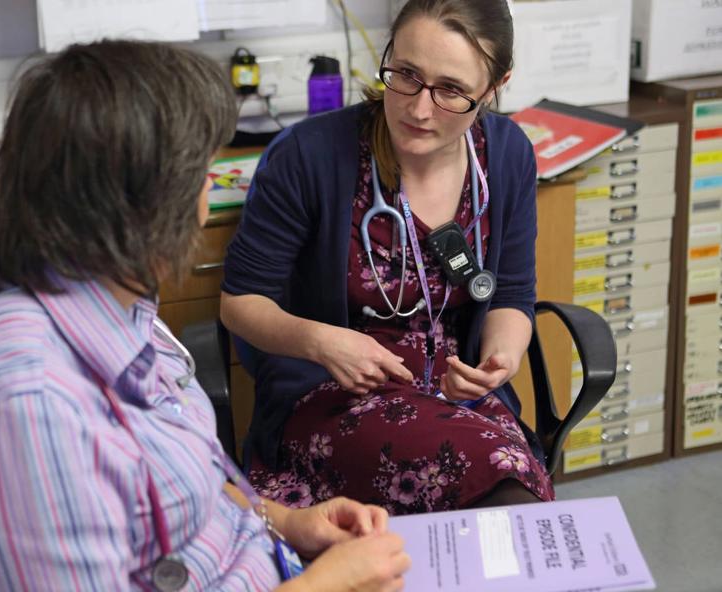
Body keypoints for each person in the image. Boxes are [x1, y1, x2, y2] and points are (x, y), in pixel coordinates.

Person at [0, 40, 411, 591]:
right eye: (199, 174)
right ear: (139, 204)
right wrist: (325, 586)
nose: (208, 190)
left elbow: (171, 486)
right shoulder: (28, 409)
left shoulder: (104, 304)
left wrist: (284, 523)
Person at [220, 0, 555, 515]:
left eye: (450, 90)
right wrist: (324, 341)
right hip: (333, 395)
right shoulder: (310, 156)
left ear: (494, 86)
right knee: (497, 478)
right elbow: (241, 303)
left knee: (510, 481)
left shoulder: (507, 155)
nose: (419, 109)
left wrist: (499, 360)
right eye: (405, 75)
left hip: (459, 397)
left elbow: (511, 295)